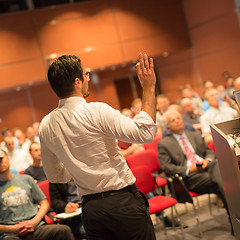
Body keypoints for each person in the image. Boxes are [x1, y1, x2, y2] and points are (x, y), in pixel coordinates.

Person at [39, 53, 157, 240]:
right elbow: (145, 133)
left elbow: (54, 175)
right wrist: (149, 88)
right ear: (77, 82)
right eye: (85, 75)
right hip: (122, 202)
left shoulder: (46, 124)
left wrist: (81, 171)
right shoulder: (96, 111)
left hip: (90, 210)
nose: (88, 78)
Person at [157, 109, 233, 233]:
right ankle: (235, 221)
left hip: (208, 167)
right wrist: (189, 169)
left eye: (178, 118)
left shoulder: (195, 135)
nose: (177, 121)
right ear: (168, 127)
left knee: (218, 168)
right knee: (226, 182)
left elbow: (208, 152)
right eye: (173, 120)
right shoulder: (164, 144)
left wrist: (207, 160)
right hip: (190, 178)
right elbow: (166, 167)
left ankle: (235, 223)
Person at [0, 148, 74, 240]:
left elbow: (44, 203)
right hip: (11, 234)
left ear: (7, 158)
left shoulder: (26, 179)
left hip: (35, 227)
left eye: (1, 159)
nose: (0, 164)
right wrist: (12, 229)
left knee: (63, 231)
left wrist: (34, 222)